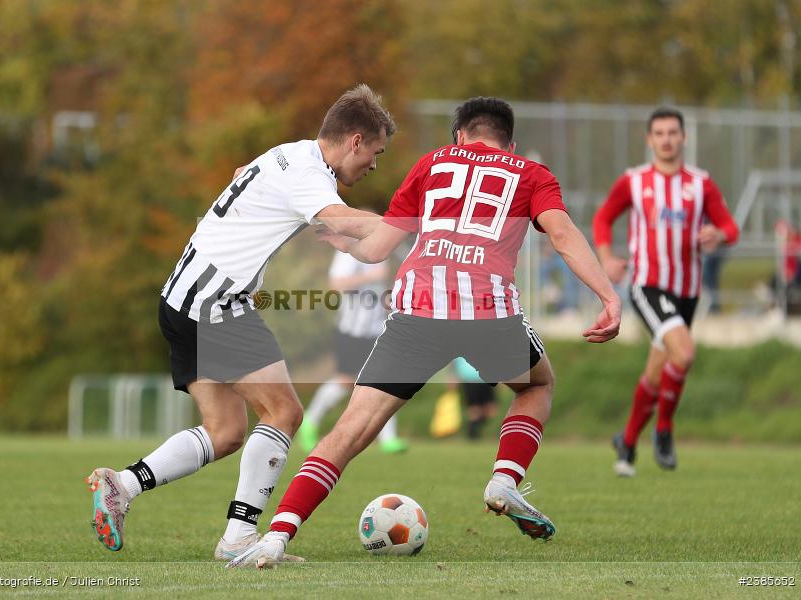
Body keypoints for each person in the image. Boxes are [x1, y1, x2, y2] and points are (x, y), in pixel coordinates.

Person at [227, 96, 621, 568]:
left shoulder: (432, 163)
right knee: (537, 386)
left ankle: (276, 536)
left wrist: (344, 241)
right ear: (509, 143)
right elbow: (562, 234)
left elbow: (376, 250)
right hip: (485, 310)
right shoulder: (530, 173)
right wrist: (608, 296)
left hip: (417, 308)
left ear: (460, 135)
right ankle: (504, 479)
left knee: (350, 431)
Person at [86, 84, 396, 559]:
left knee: (226, 430)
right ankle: (239, 539)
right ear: (354, 140)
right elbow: (343, 217)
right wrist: (414, 222)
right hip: (215, 301)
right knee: (285, 413)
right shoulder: (310, 175)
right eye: (374, 152)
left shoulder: (287, 155)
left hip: (181, 297)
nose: (374, 165)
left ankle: (121, 485)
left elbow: (243, 177)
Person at [592, 106, 739, 477]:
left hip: (687, 291)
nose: (667, 140)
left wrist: (718, 235)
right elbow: (604, 217)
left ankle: (626, 441)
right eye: (659, 133)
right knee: (685, 354)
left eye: (673, 133)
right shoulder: (635, 181)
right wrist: (607, 255)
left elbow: (730, 227)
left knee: (657, 373)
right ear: (649, 139)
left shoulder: (701, 184)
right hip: (648, 285)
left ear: (684, 138)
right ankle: (664, 430)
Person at [298, 250, 408, 454]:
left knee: (385, 379)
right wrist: (371, 277)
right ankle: (309, 422)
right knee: (345, 381)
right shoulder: (350, 252)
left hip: (376, 327)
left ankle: (388, 439)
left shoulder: (384, 250)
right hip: (352, 329)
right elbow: (337, 284)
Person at [450, 357, 498, 440]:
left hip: (487, 378)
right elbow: (454, 360)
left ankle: (478, 429)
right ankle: (472, 434)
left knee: (490, 409)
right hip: (469, 379)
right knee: (474, 409)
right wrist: (452, 377)